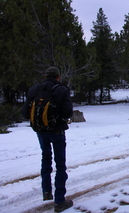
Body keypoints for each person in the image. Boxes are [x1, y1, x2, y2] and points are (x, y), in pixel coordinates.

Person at [21, 67, 73, 212]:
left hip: (40, 130)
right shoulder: (62, 89)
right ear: (58, 76)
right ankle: (60, 201)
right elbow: (68, 112)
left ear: (45, 76)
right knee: (60, 164)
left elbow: (25, 112)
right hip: (57, 131)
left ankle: (46, 191)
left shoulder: (34, 90)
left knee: (45, 157)